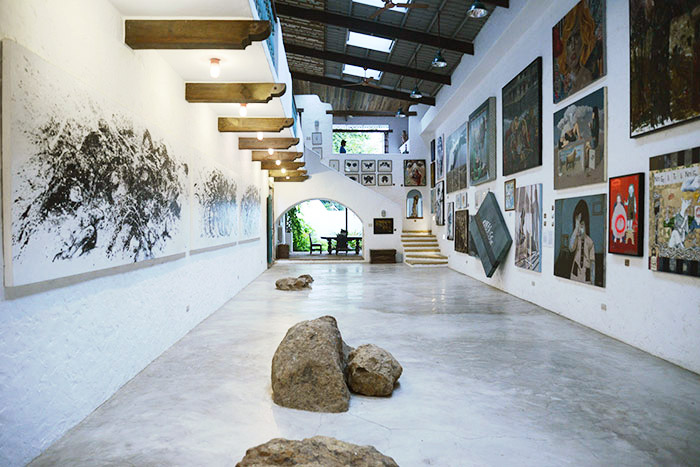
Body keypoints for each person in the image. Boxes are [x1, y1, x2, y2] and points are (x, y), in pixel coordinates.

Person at [568, 199, 596, 285]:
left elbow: (592, 262)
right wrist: (576, 228)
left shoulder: (590, 242)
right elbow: (571, 248)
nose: (580, 228)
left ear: (586, 225)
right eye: (578, 225)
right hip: (575, 274)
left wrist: (593, 281)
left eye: (582, 225)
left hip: (586, 276)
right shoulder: (576, 238)